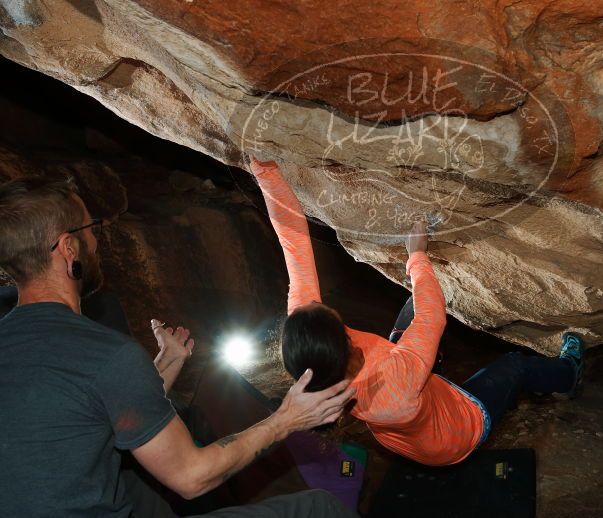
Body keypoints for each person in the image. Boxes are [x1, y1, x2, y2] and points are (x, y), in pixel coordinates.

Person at [0, 176, 357, 517]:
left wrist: (168, 362)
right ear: (68, 248)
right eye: (90, 229)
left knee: (135, 481)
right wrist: (287, 418)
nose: (95, 240)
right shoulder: (107, 353)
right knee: (319, 508)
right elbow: (192, 476)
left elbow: (85, 417)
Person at [250, 156, 585, 467]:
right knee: (515, 366)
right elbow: (431, 316)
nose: (320, 304)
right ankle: (569, 374)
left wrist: (265, 171)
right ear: (345, 344)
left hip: (407, 416)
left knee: (413, 324)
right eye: (333, 316)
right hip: (455, 434)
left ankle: (433, 364)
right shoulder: (397, 382)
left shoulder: (315, 354)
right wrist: (417, 255)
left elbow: (293, 244)